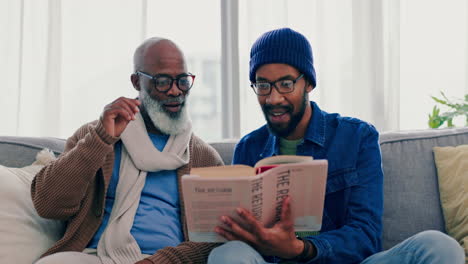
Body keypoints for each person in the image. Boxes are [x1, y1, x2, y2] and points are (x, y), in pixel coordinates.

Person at [207, 28, 465, 264]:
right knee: (228, 254)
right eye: (263, 85)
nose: (274, 98)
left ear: (308, 82)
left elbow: (365, 236)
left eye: (286, 84)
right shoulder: (249, 149)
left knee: (438, 245)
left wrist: (301, 248)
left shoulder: (357, 137)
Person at [32, 37, 224, 264]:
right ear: (136, 82)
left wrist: (160, 261)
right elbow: (48, 205)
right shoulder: (97, 134)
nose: (175, 91)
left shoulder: (203, 157)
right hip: (95, 255)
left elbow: (215, 239)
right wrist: (100, 138)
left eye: (182, 80)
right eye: (162, 81)